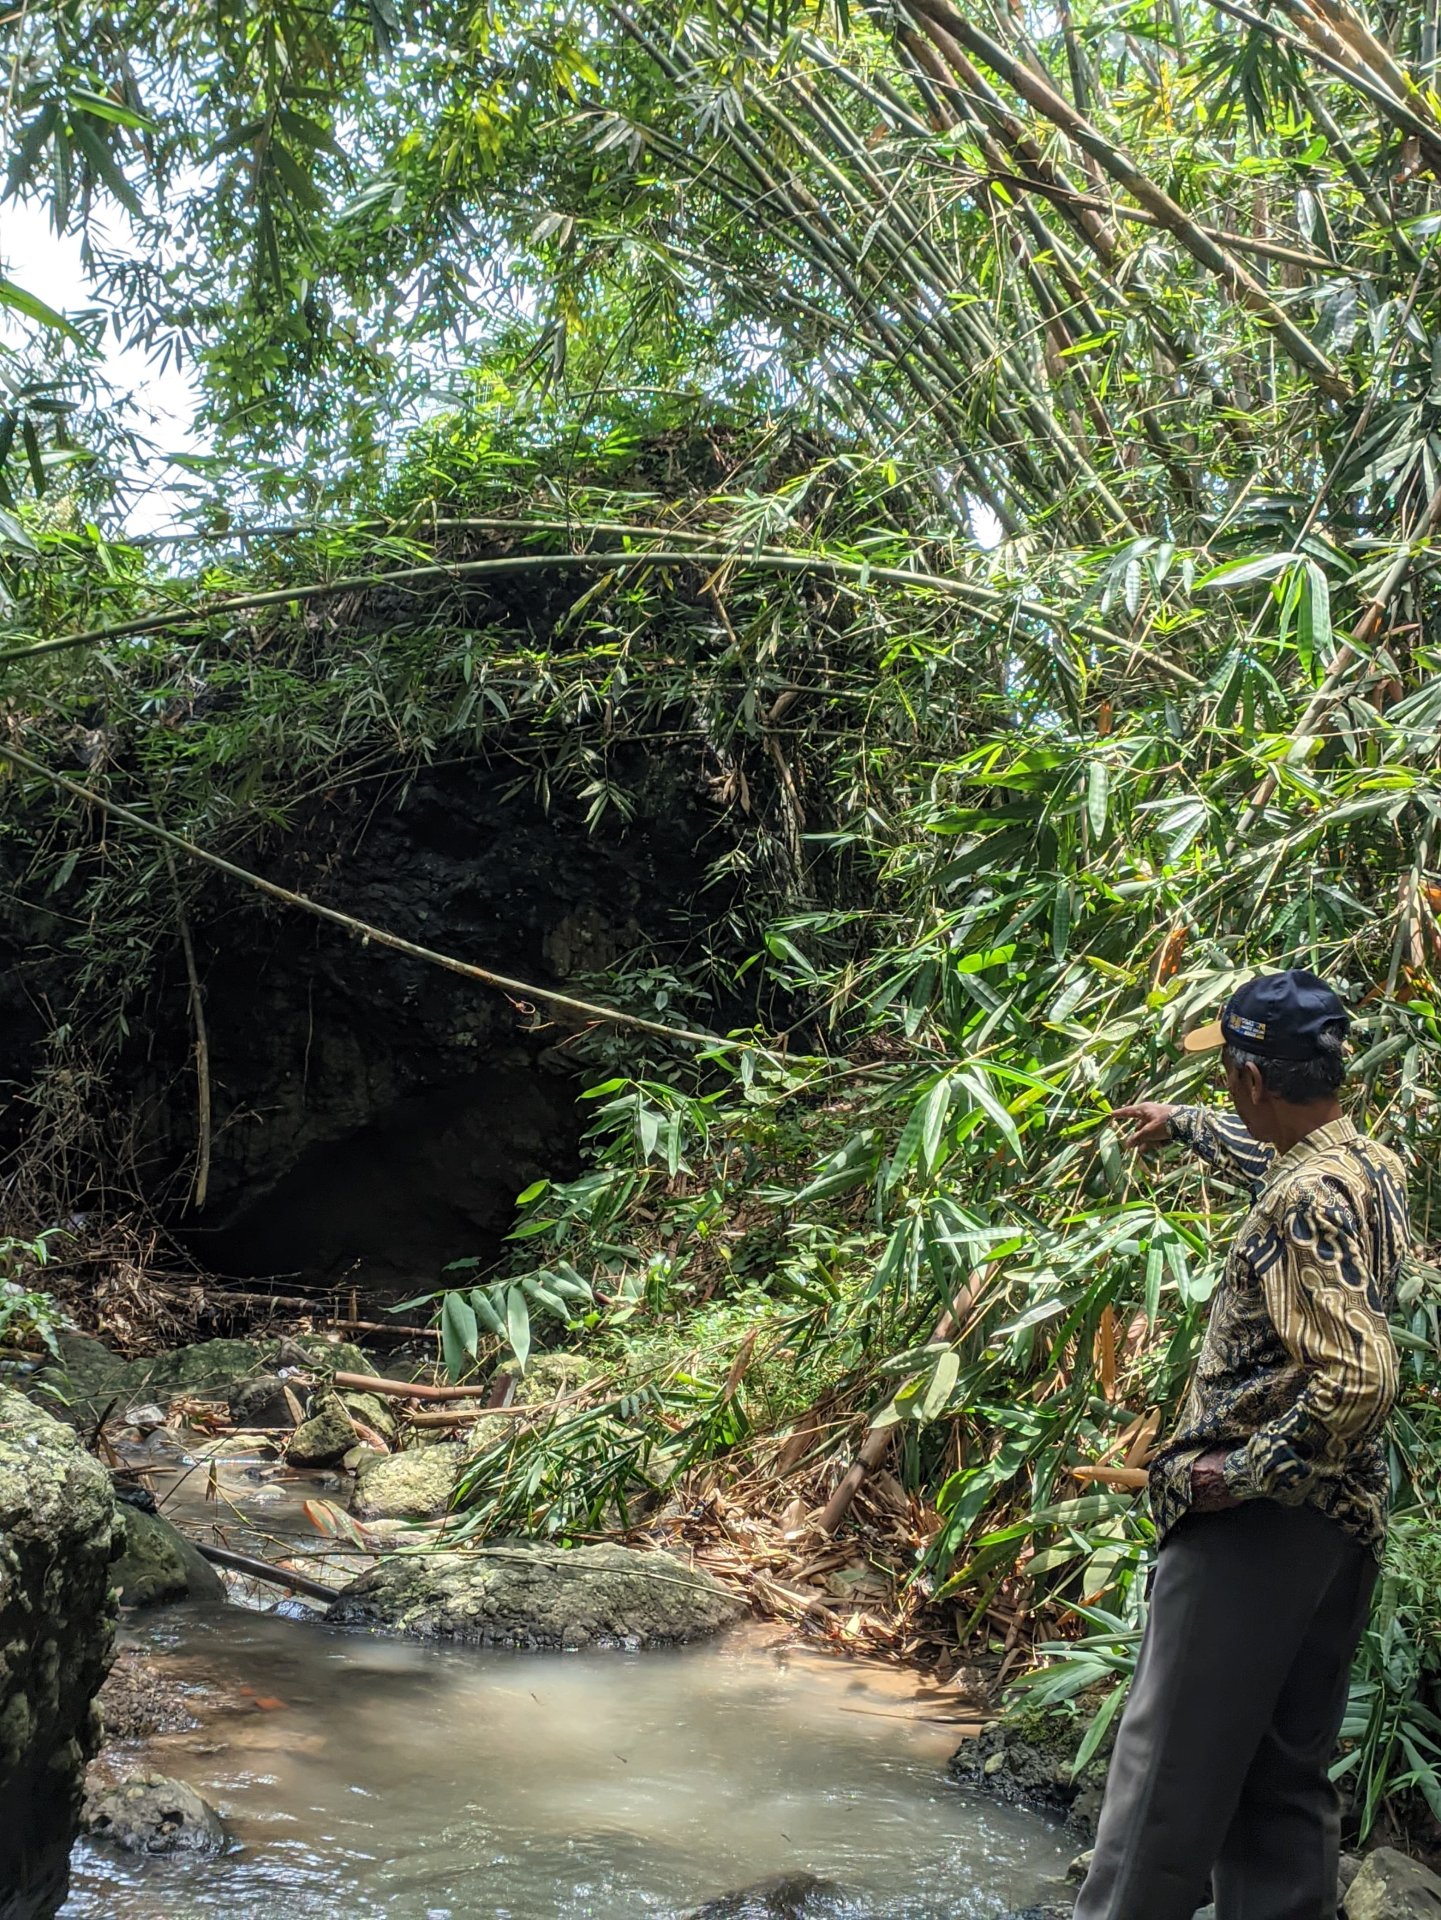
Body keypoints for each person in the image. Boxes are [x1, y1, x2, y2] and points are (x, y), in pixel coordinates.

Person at [1072, 968, 1411, 1920]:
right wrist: (1180, 1123)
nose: (1226, 1090)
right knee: (1279, 1788)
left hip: (1254, 1527)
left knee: (1161, 1790)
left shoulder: (1303, 1200)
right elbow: (1277, 1163)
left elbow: (1359, 1374)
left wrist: (1237, 1473)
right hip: (1338, 1528)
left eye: (1227, 1076)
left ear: (1255, 1077)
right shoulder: (1366, 1167)